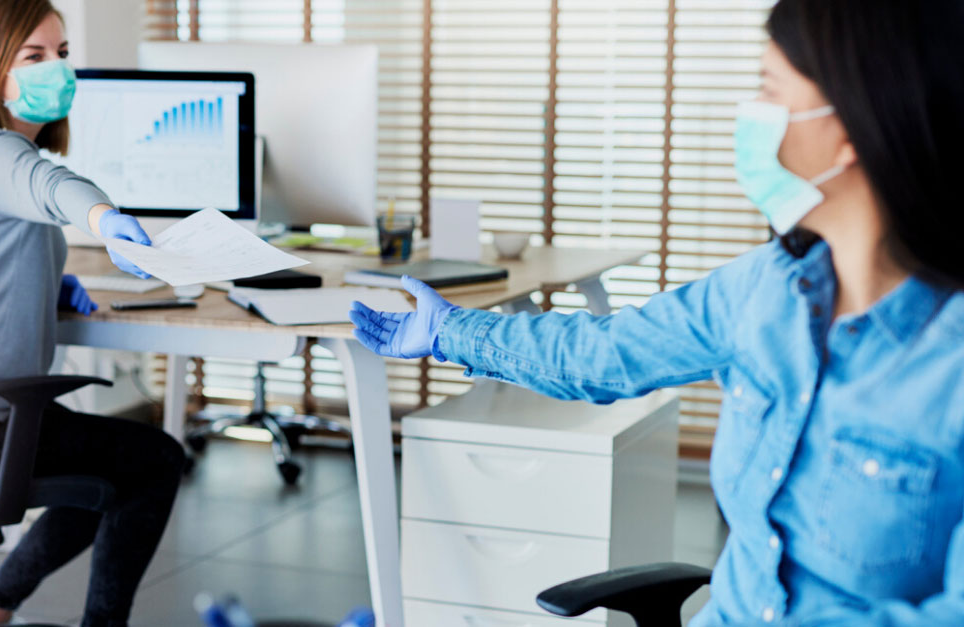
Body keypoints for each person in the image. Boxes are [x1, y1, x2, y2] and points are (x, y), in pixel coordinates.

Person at [351, 0, 964, 624]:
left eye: (769, 90)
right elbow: (607, 353)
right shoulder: (769, 290)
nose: (751, 117)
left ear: (852, 126)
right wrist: (451, 331)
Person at [0, 1, 184, 626]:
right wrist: (107, 222)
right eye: (33, 56)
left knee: (109, 466)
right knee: (154, 459)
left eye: (61, 52)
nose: (56, 67)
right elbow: (49, 187)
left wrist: (48, 282)